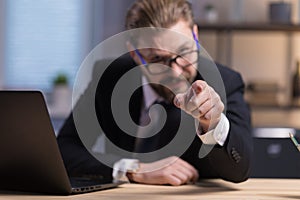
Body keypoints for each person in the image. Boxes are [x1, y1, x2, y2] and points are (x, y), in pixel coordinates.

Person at [57, 0, 253, 186]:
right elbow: (64, 150)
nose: (175, 72)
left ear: (195, 34)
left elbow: (240, 169)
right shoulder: (110, 77)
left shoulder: (226, 82)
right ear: (134, 53)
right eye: (158, 59)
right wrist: (131, 169)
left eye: (184, 52)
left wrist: (213, 123)